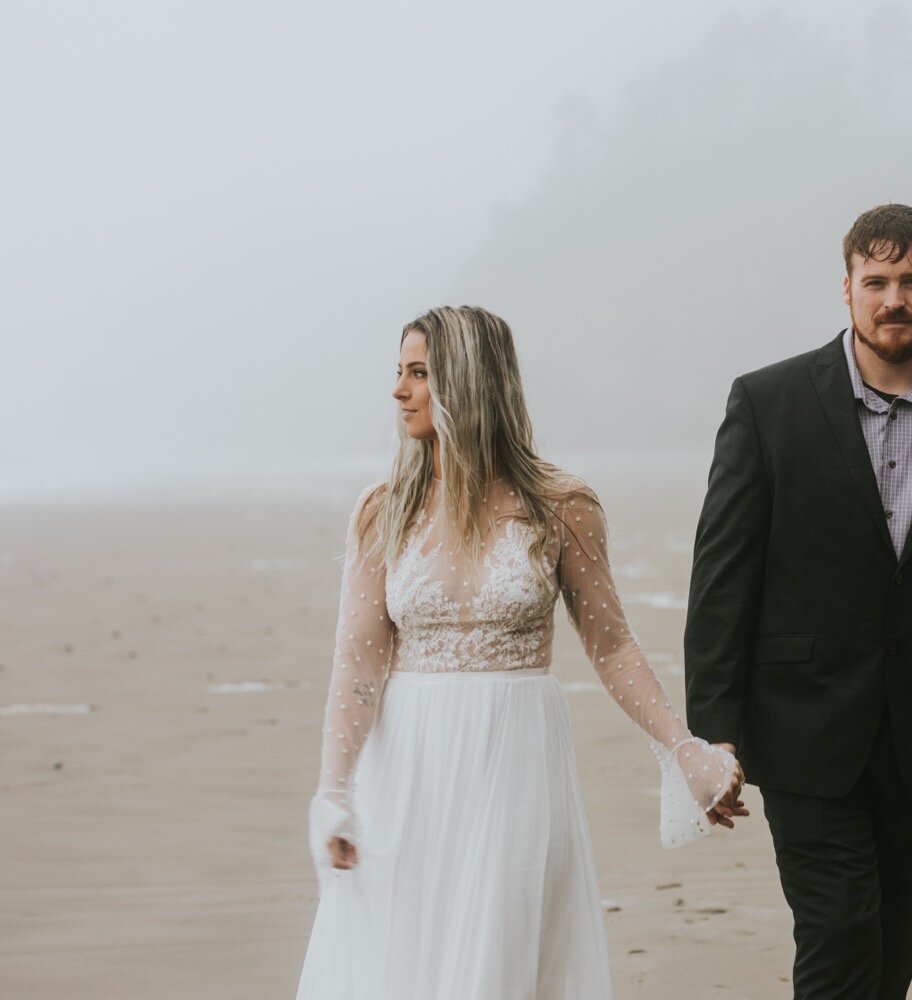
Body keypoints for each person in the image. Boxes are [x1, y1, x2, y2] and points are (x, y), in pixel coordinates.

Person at [296, 305, 746, 1000]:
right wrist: (334, 791)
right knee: (406, 967)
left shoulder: (560, 505)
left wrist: (684, 750)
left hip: (515, 765)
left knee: (501, 963)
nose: (399, 391)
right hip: (406, 771)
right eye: (399, 373)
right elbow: (357, 662)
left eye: (419, 374)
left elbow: (612, 641)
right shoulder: (382, 511)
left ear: (467, 383)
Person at [685, 204, 912, 999]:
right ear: (847, 289)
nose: (895, 298)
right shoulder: (767, 403)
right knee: (839, 926)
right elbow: (723, 579)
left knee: (890, 948)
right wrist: (710, 737)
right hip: (799, 725)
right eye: (878, 280)